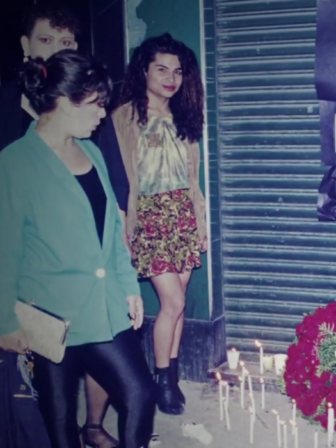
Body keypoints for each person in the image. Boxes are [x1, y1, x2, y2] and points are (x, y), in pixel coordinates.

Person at [0, 50, 156, 448]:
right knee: (60, 425)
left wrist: (129, 286)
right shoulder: (15, 163)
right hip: (50, 319)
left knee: (141, 394)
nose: (102, 114)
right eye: (96, 104)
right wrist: (5, 322)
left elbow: (112, 230)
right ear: (66, 102)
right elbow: (5, 248)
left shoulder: (92, 153)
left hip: (102, 310)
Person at [104, 33, 207, 415]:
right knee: (173, 301)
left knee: (179, 306)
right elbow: (117, 181)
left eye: (177, 71)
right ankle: (161, 380)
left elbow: (191, 176)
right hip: (148, 216)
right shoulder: (123, 116)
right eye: (161, 69)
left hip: (183, 213)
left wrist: (200, 219)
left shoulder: (185, 114)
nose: (170, 78)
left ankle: (172, 376)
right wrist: (122, 231)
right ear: (143, 70)